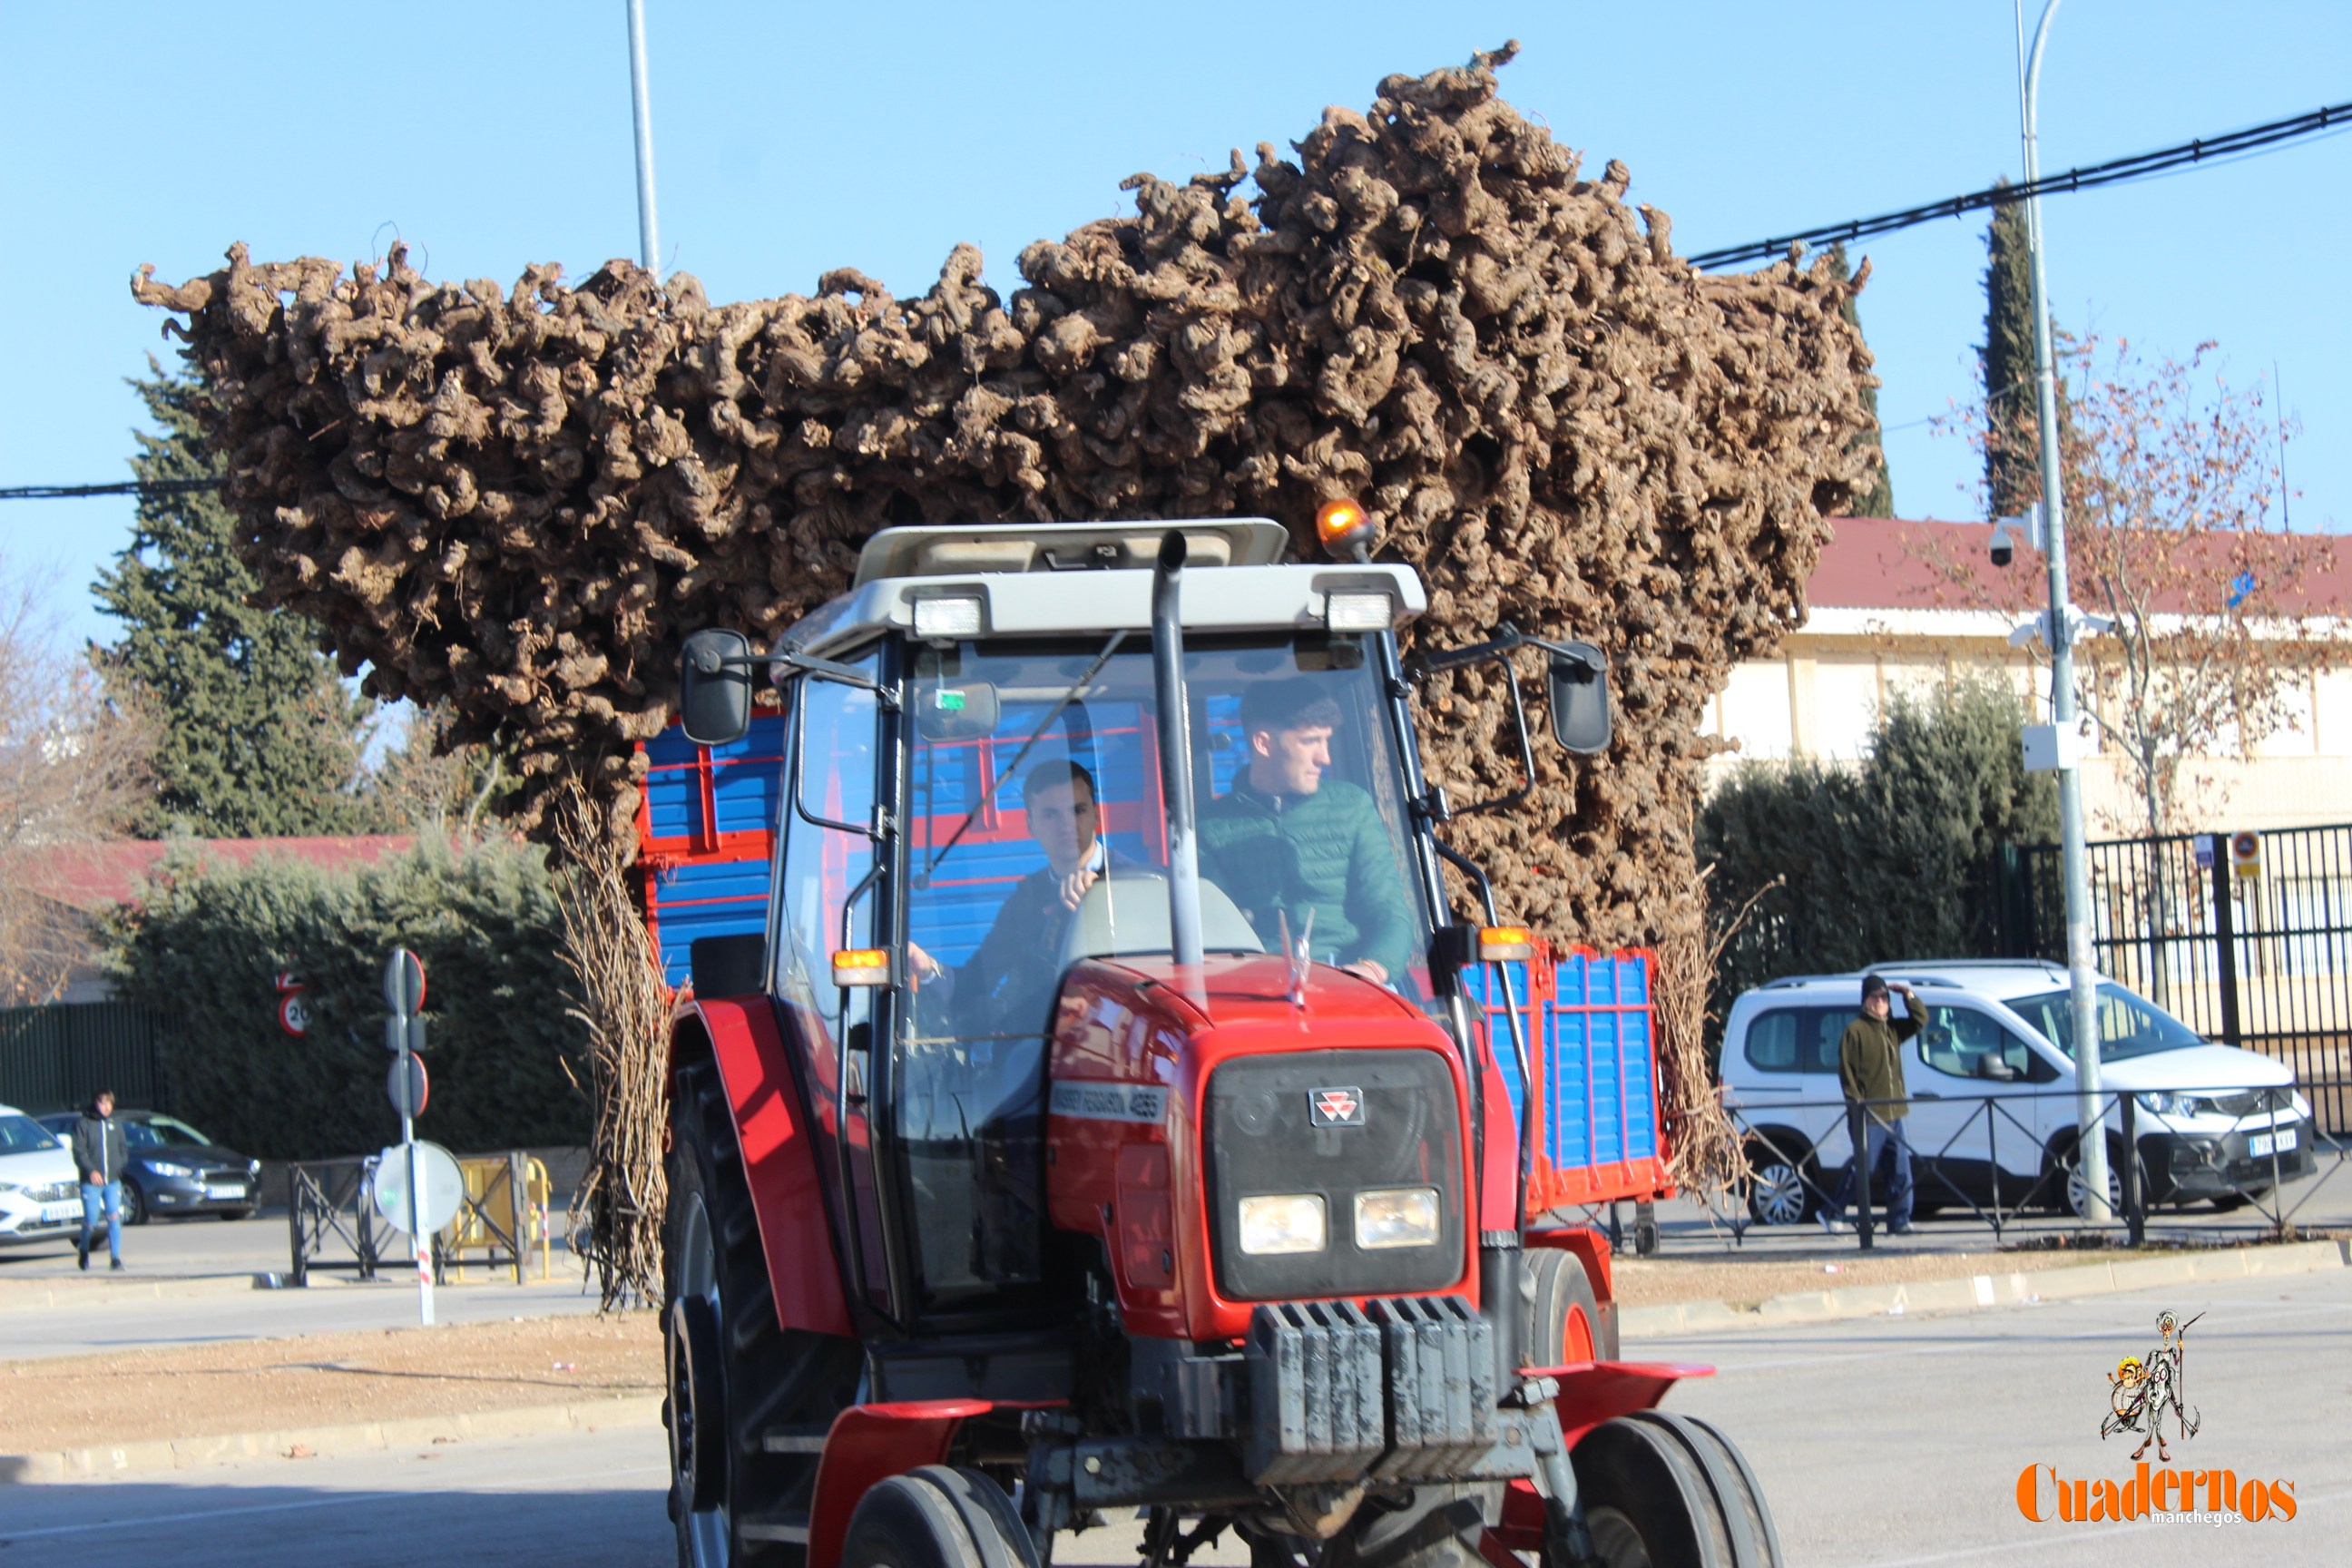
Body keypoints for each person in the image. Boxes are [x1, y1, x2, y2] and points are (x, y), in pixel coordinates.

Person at [1199, 677, 1411, 984]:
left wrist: (1373, 969)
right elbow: (1212, 934)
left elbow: (1390, 911)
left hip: (1355, 979)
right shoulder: (1208, 826)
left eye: (1326, 740)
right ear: (1264, 743)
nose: (1325, 757)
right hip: (1255, 989)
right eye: (1311, 741)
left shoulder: (1351, 807)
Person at [909, 759, 1137, 1035]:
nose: (1068, 824)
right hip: (1042, 1053)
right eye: (1051, 814)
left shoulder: (1141, 883)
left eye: (1078, 810)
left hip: (1125, 1041)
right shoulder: (1027, 898)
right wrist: (926, 968)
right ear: (1031, 825)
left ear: (1096, 816)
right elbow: (976, 982)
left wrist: (1104, 897)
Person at [1822, 975, 1919, 1237]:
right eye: (1875, 997)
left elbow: (1920, 1021)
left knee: (1900, 1168)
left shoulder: (1892, 1030)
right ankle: (1833, 1211)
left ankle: (1900, 1219)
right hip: (1869, 1114)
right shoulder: (1855, 1031)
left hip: (1894, 1112)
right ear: (1865, 1001)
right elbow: (1847, 1073)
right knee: (1863, 1168)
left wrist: (1908, 996)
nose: (1880, 1002)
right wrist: (1857, 1104)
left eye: (1884, 997)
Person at [71, 1089, 129, 1272]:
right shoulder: (84, 1124)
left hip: (112, 1181)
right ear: (96, 1103)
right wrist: (91, 1171)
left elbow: (123, 1150)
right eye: (103, 1103)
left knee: (114, 1216)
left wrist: (118, 1166)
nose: (106, 1107)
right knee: (91, 1221)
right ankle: (84, 1250)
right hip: (91, 1183)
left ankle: (115, 1258)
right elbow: (79, 1153)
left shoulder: (115, 1124)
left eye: (109, 1103)